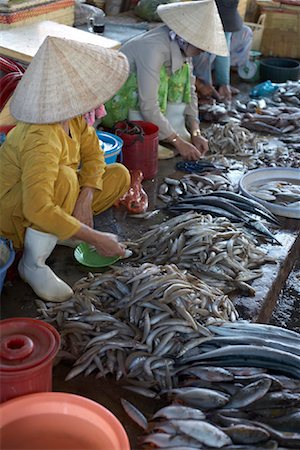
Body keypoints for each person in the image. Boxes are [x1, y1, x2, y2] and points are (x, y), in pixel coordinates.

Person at [0, 36, 131, 302]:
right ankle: (33, 263)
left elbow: (94, 155)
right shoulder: (41, 136)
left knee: (118, 174)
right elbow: (36, 207)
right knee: (66, 178)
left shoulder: (73, 119)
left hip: (55, 197)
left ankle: (57, 231)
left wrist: (86, 197)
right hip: (13, 212)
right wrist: (95, 238)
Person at [101, 0, 229, 161]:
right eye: (201, 46)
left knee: (182, 71)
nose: (203, 51)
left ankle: (168, 129)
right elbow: (148, 105)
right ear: (187, 37)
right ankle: (145, 132)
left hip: (143, 104)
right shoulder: (154, 48)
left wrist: (196, 131)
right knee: (161, 76)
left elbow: (190, 91)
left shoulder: (183, 46)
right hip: (116, 106)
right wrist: (177, 142)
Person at [193, 0, 252, 103]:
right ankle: (201, 86)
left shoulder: (226, 18)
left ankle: (216, 82)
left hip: (209, 61)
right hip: (191, 63)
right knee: (205, 51)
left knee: (245, 32)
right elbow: (179, 64)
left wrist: (224, 83)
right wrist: (200, 84)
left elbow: (223, 49)